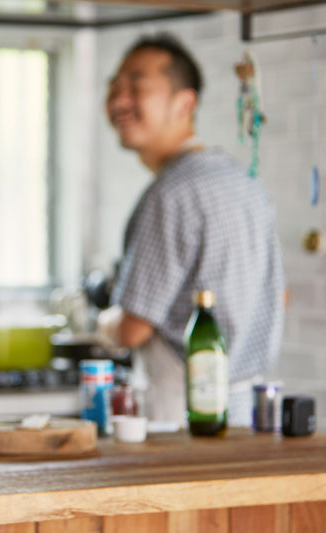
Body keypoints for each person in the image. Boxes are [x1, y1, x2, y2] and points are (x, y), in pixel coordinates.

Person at [97, 34, 285, 427]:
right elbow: (278, 296)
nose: (118, 101)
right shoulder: (244, 181)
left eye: (136, 86)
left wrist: (103, 322)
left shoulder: (170, 193)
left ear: (185, 103)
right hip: (248, 413)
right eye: (114, 87)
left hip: (182, 415)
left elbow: (132, 329)